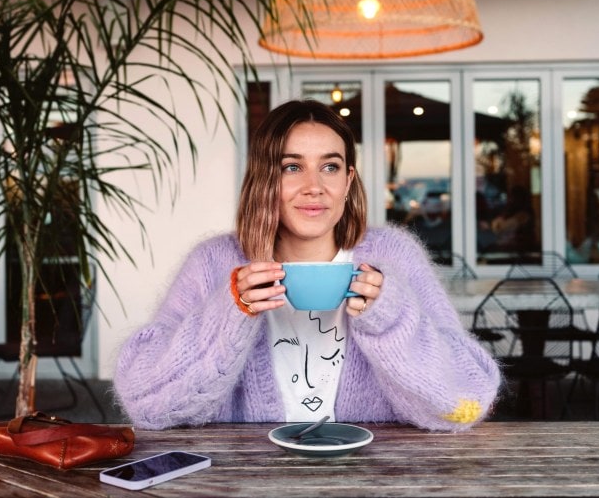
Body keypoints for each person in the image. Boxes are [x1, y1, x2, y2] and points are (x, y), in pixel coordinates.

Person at [113, 100, 500, 431]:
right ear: (265, 178)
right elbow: (147, 406)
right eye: (292, 167)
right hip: (247, 483)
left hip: (373, 478)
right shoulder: (214, 263)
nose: (314, 186)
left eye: (330, 167)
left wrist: (391, 316)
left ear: (348, 181)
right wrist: (230, 312)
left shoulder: (393, 258)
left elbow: (465, 404)